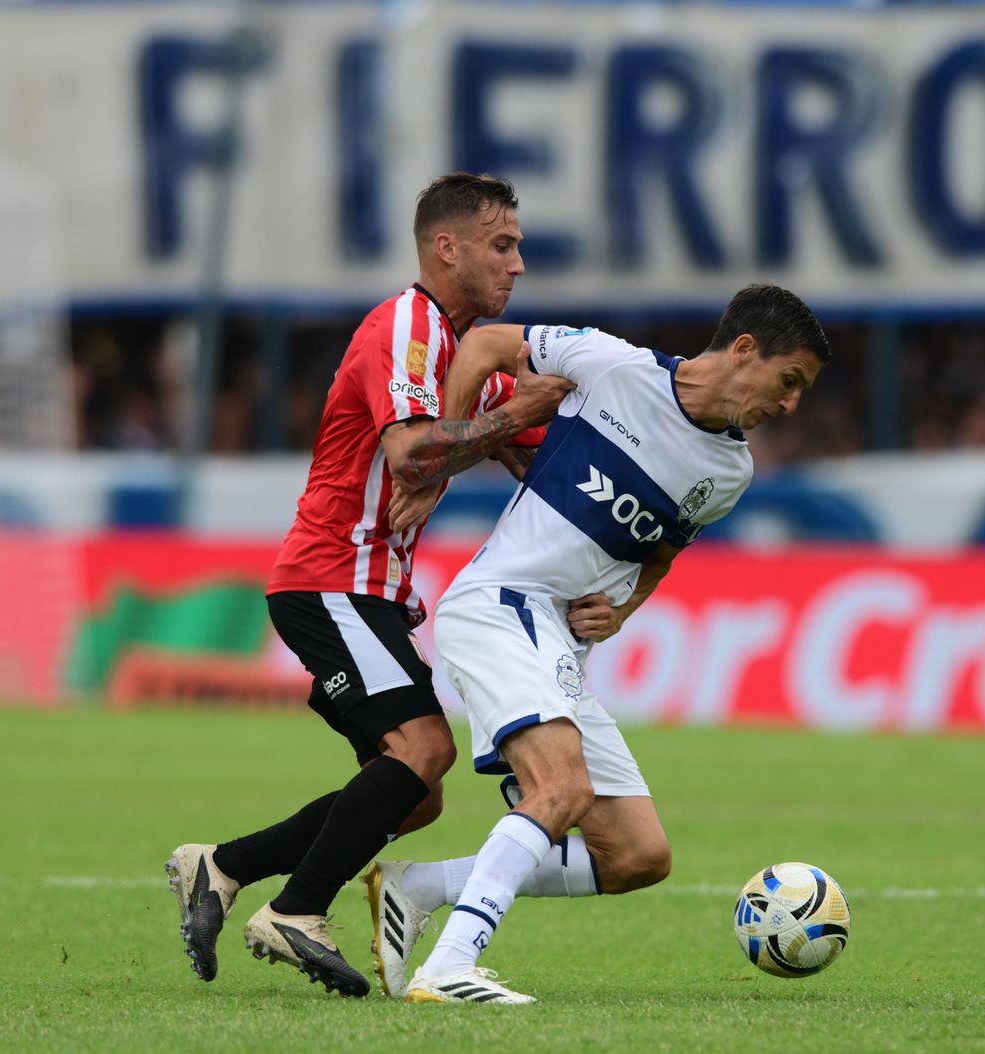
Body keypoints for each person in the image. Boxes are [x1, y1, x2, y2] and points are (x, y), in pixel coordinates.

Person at [362, 284, 831, 1003]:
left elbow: (661, 554)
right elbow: (487, 345)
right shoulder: (614, 365)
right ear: (744, 351)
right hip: (500, 605)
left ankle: (417, 888)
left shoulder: (729, 473)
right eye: (788, 381)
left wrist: (621, 611)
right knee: (563, 788)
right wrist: (443, 464)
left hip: (556, 641)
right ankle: (450, 965)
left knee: (638, 854)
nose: (791, 405)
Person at [165, 173, 574, 997]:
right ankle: (296, 911)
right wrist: (493, 427)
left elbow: (537, 439)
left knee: (412, 796)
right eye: (503, 245)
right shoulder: (408, 324)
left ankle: (221, 865)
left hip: (372, 593)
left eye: (520, 246)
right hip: (329, 579)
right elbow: (412, 450)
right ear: (445, 247)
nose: (519, 265)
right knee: (424, 751)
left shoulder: (459, 358)